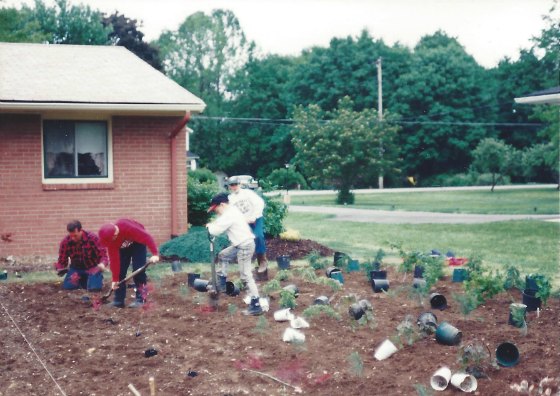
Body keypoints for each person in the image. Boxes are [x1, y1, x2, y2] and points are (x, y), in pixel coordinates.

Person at [206, 192, 263, 316]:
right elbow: (220, 222)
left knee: (245, 276)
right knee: (223, 255)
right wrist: (212, 225)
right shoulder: (231, 211)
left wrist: (210, 228)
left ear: (222, 205)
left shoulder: (229, 214)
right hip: (240, 244)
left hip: (244, 246)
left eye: (216, 210)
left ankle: (256, 304)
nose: (216, 212)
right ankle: (221, 281)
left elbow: (216, 230)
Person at [98, 219, 160, 308]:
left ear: (115, 235)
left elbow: (147, 237)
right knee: (120, 273)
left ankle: (141, 299)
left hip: (138, 243)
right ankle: (118, 301)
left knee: (139, 271)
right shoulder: (111, 241)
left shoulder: (127, 227)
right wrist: (115, 279)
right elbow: (114, 260)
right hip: (123, 248)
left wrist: (155, 254)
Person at [227, 176, 269, 281]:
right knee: (244, 241)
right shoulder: (230, 199)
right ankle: (246, 267)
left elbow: (259, 203)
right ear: (229, 187)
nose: (234, 187)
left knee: (258, 236)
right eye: (232, 185)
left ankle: (262, 260)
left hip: (256, 218)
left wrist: (254, 216)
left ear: (240, 184)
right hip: (244, 222)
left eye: (236, 184)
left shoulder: (247, 193)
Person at [55, 220, 108, 292]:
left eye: (75, 236)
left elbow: (103, 256)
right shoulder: (65, 242)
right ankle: (84, 281)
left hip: (92, 268)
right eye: (71, 236)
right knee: (68, 287)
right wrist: (60, 268)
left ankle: (93, 280)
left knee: (95, 289)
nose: (73, 238)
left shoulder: (93, 238)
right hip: (76, 269)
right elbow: (62, 260)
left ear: (81, 231)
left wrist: (101, 265)